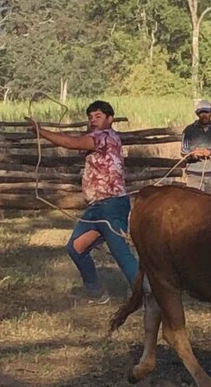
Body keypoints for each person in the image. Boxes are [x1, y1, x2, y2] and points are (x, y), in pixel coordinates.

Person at [27, 100, 138, 304]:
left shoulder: (105, 136)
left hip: (111, 203)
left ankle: (145, 293)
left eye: (98, 116)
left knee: (119, 249)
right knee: (76, 248)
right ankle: (96, 292)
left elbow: (71, 143)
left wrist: (40, 131)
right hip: (97, 206)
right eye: (90, 117)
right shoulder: (100, 137)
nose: (93, 120)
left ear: (110, 119)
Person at [180, 99, 211, 195]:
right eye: (201, 112)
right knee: (193, 204)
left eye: (207, 112)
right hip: (194, 174)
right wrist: (193, 153)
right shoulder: (189, 130)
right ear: (197, 114)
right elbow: (183, 149)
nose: (204, 115)